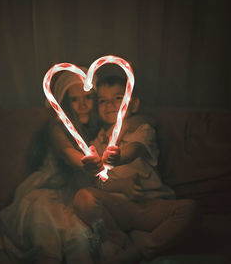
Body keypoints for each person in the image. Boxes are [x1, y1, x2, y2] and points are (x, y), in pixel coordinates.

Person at [74, 76, 199, 263]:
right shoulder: (96, 142)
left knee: (191, 209)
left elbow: (135, 149)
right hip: (120, 209)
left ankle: (141, 250)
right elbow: (96, 182)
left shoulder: (142, 128)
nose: (109, 104)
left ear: (133, 104)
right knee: (83, 197)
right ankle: (118, 243)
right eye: (102, 100)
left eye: (117, 98)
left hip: (150, 205)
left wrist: (119, 156)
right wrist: (120, 185)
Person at [0, 67, 104, 264]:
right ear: (65, 103)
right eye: (74, 100)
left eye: (87, 98)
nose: (82, 105)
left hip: (74, 195)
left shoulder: (97, 132)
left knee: (78, 238)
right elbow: (67, 152)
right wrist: (87, 164)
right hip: (46, 191)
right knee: (45, 230)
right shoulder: (56, 128)